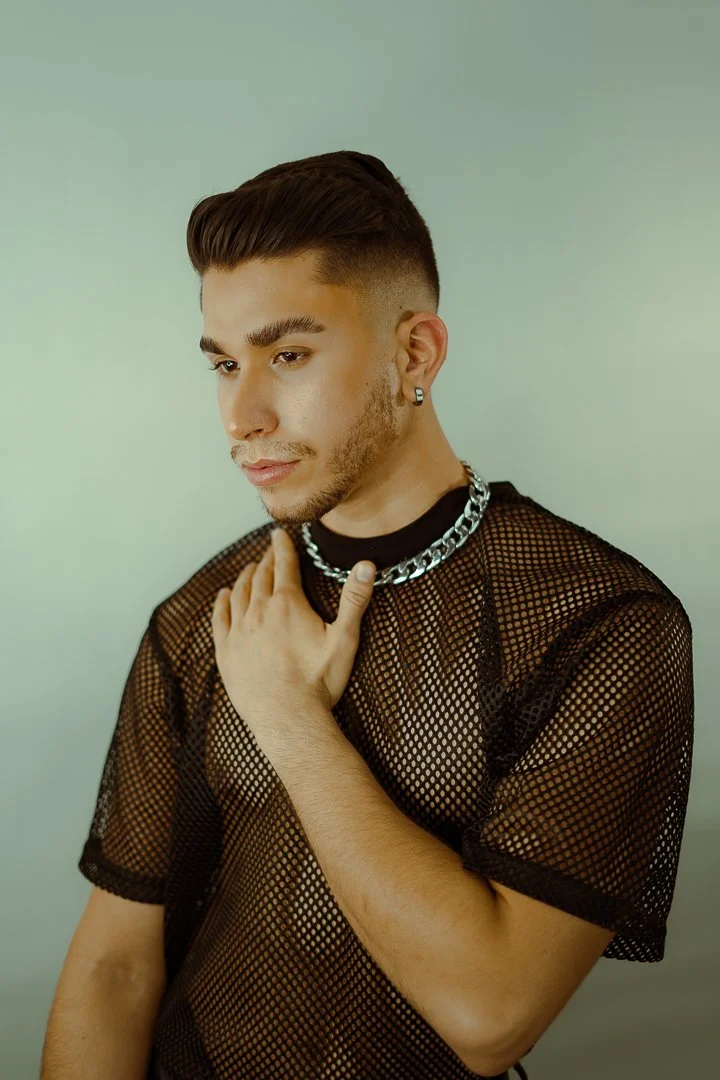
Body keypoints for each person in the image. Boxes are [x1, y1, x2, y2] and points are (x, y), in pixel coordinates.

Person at [42, 151, 693, 1080]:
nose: (242, 412)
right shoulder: (206, 617)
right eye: (225, 363)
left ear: (415, 351)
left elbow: (491, 1013)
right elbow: (113, 966)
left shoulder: (602, 624)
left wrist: (292, 722)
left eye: (290, 355)